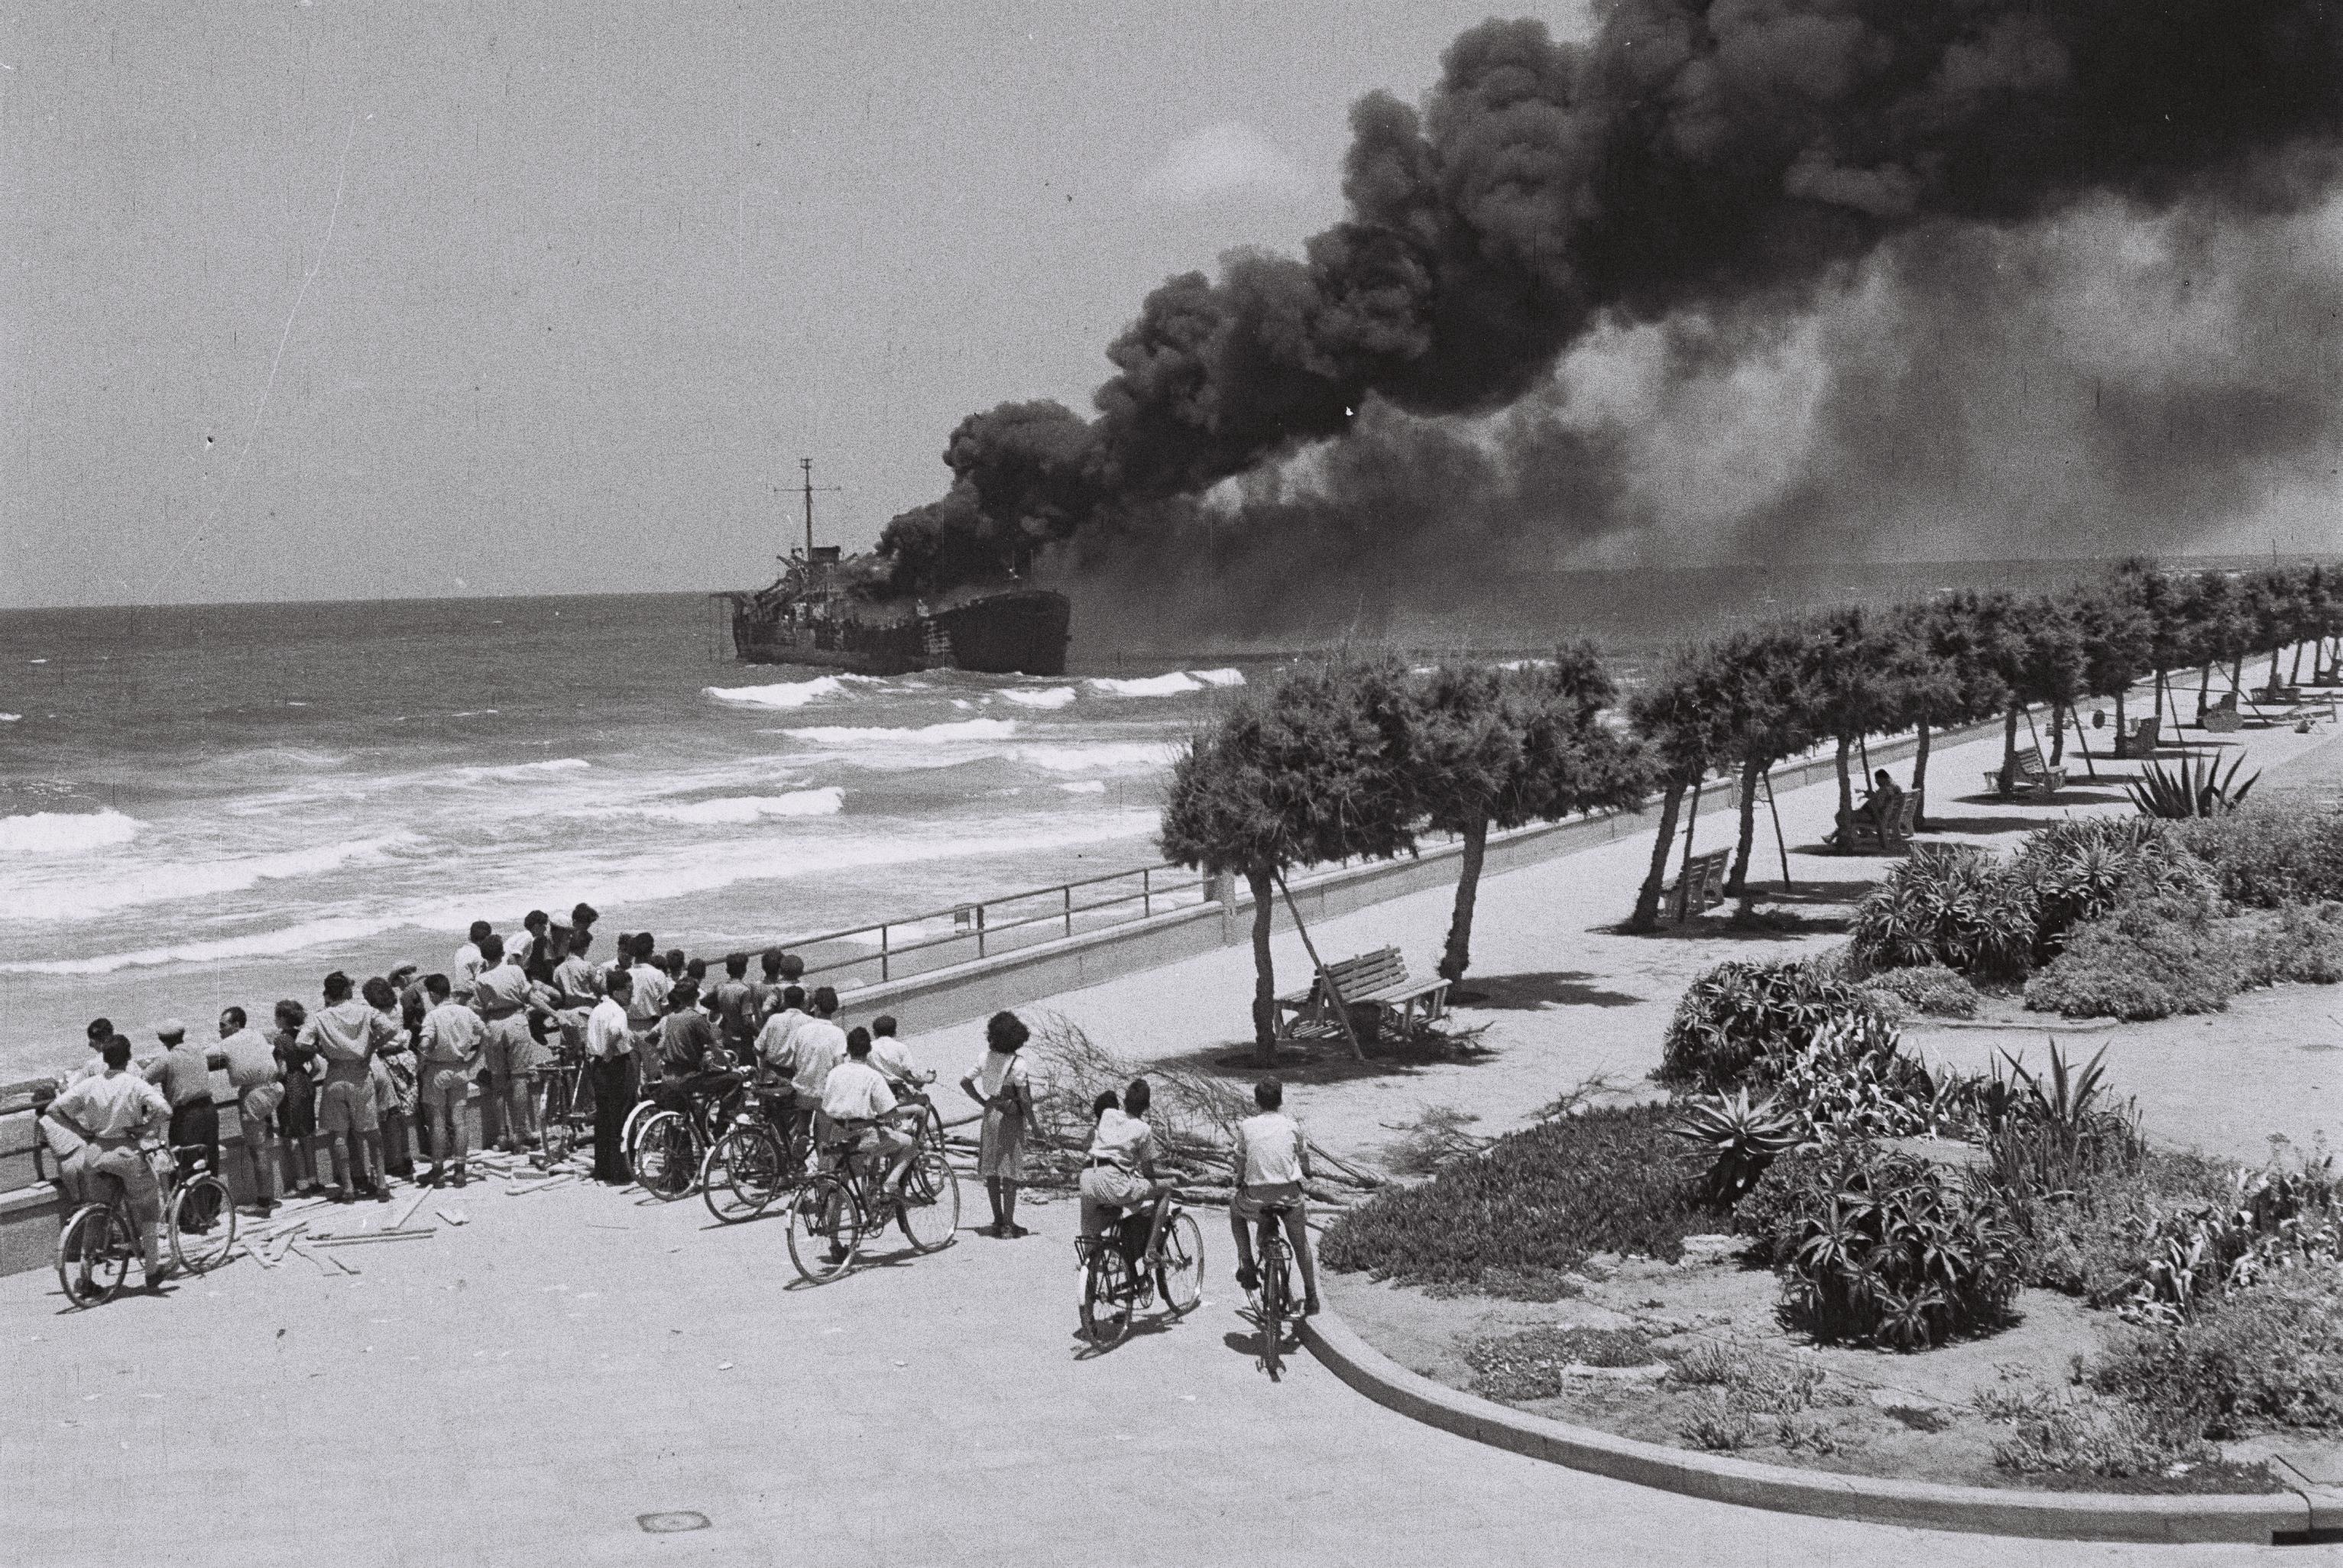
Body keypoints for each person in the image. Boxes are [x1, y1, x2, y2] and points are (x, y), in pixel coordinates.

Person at [45, 1035, 173, 1288]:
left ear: (104, 1058)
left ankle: (85, 1277)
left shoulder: (90, 1084)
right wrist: (145, 1128)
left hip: (94, 1153)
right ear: (128, 1058)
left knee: (96, 1214)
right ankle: (151, 1271)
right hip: (125, 1153)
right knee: (148, 1208)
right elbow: (165, 1110)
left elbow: (53, 1110)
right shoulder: (134, 1083)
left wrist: (80, 1131)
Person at [297, 970, 401, 1203]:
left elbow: (301, 1042)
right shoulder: (365, 1010)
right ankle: (382, 1184)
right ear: (347, 991)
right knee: (373, 1133)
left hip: (335, 1074)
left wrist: (322, 1051)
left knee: (340, 1135)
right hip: (360, 1074)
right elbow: (392, 1029)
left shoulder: (319, 1016)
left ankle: (348, 1188)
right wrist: (373, 1047)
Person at [1229, 1077, 1320, 1317]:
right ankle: (1311, 1296)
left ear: (1256, 1101)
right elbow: (1303, 1157)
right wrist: (1307, 1173)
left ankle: (1247, 1262)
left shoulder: (1247, 1126)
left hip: (1257, 1196)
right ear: (1280, 1100)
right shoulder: (1292, 1125)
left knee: (1235, 1211)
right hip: (1289, 1196)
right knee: (1301, 1244)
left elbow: (1241, 1160)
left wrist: (1239, 1179)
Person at [961, 1010, 1042, 1239]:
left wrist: (982, 1101)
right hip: (1010, 1118)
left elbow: (965, 1081)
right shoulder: (1018, 1064)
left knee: (992, 1171)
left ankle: (997, 1220)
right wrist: (1034, 1124)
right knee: (1010, 1171)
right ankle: (1009, 1223)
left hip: (990, 1114)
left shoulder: (984, 1058)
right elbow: (1024, 1099)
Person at [1080, 1078, 1176, 1271]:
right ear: (1147, 1107)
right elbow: (1149, 1172)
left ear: (1124, 1101)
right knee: (1165, 1190)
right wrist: (1173, 1173)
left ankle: (1090, 1282)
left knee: (1092, 1231)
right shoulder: (1144, 1129)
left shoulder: (1108, 1114)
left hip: (1088, 1175)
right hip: (1114, 1181)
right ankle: (1150, 1251)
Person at [818, 1027, 915, 1199]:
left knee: (839, 1185)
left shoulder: (834, 1073)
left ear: (847, 1050)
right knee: (910, 1145)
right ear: (869, 1051)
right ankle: (890, 1184)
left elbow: (826, 1107)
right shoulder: (872, 1076)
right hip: (864, 1136)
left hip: (838, 1133)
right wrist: (914, 1109)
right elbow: (889, 1113)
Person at [416, 973, 485, 1188]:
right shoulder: (466, 1012)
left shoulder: (433, 1016)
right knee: (460, 1121)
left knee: (437, 1121)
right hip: (460, 1068)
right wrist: (474, 1059)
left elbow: (426, 1045)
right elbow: (487, 1034)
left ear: (435, 994)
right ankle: (460, 1171)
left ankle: (438, 1172)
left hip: (437, 1071)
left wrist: (419, 1066)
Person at [472, 935, 539, 1152]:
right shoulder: (515, 971)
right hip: (517, 1022)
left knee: (497, 1082)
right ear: (503, 953)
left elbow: (478, 1010)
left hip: (493, 1026)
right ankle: (521, 1133)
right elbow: (532, 998)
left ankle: (502, 1134)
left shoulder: (480, 980)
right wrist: (554, 1012)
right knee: (520, 1079)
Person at [218, 1006, 284, 1216]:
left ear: (236, 1025)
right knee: (266, 1142)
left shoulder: (227, 1043)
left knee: (258, 1151)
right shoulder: (257, 1035)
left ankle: (264, 1202)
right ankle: (271, 1196)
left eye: (223, 1026)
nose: (220, 1031)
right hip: (273, 1090)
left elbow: (204, 1056)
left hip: (253, 1096)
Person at [142, 1019, 219, 1179]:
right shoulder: (198, 1051)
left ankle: (188, 1204)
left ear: (162, 1040)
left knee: (184, 1163)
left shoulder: (166, 1059)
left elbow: (142, 1080)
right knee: (210, 1161)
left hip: (186, 1116)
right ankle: (213, 1203)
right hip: (209, 1110)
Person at [364, 976, 421, 1181]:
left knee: (389, 1115)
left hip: (387, 1062)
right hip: (406, 1059)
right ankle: (407, 1157)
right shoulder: (397, 1009)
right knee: (405, 1114)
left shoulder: (374, 1015)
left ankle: (392, 1162)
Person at [585, 970, 634, 1184]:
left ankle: (602, 1169)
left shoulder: (597, 1010)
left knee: (603, 1119)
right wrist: (609, 1051)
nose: (631, 996)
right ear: (617, 991)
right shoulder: (618, 1012)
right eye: (629, 991)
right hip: (614, 1065)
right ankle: (620, 1172)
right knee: (621, 1117)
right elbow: (615, 1033)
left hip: (597, 1067)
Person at [655, 980, 729, 1116]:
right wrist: (727, 1064)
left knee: (676, 1115)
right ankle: (722, 1129)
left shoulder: (671, 1017)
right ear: (696, 997)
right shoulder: (696, 1018)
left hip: (668, 1075)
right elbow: (715, 1047)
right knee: (733, 1079)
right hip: (687, 1077)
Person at [271, 999, 322, 1195]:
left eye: (276, 1016)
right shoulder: (303, 1036)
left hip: (290, 1088)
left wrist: (270, 1080)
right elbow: (317, 1067)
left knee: (292, 1136)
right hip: (305, 1084)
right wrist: (305, 1079)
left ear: (282, 1018)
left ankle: (302, 1184)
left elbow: (282, 1070)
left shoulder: (281, 1040)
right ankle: (314, 1180)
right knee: (308, 1135)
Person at [865, 1015, 933, 1093]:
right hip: (898, 1092)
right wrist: (927, 1078)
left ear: (874, 1033)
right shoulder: (901, 1047)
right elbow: (909, 1079)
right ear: (895, 1032)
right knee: (926, 1102)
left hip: (877, 1092)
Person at [710, 953, 756, 1054]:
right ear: (745, 971)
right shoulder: (745, 990)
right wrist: (759, 1033)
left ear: (727, 970)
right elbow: (747, 1020)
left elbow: (712, 1016)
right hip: (742, 1039)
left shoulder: (719, 987)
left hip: (726, 1036)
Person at [453, 920, 494, 1003]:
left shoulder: (460, 951)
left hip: (458, 994)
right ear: (486, 938)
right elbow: (481, 981)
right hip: (471, 996)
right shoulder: (480, 956)